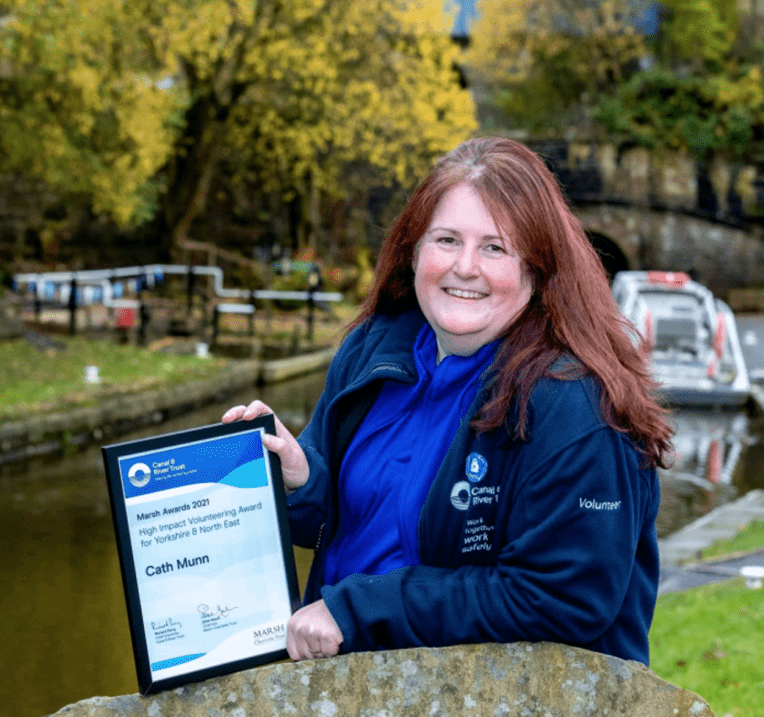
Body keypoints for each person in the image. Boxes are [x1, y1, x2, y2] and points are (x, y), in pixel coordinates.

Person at [222, 136, 673, 667]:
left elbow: (561, 599)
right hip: (350, 680)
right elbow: (348, 525)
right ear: (413, 251)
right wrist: (300, 480)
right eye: (446, 240)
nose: (465, 267)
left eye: (495, 248)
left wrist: (359, 609)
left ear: (537, 268)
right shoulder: (373, 349)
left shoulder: (574, 403)